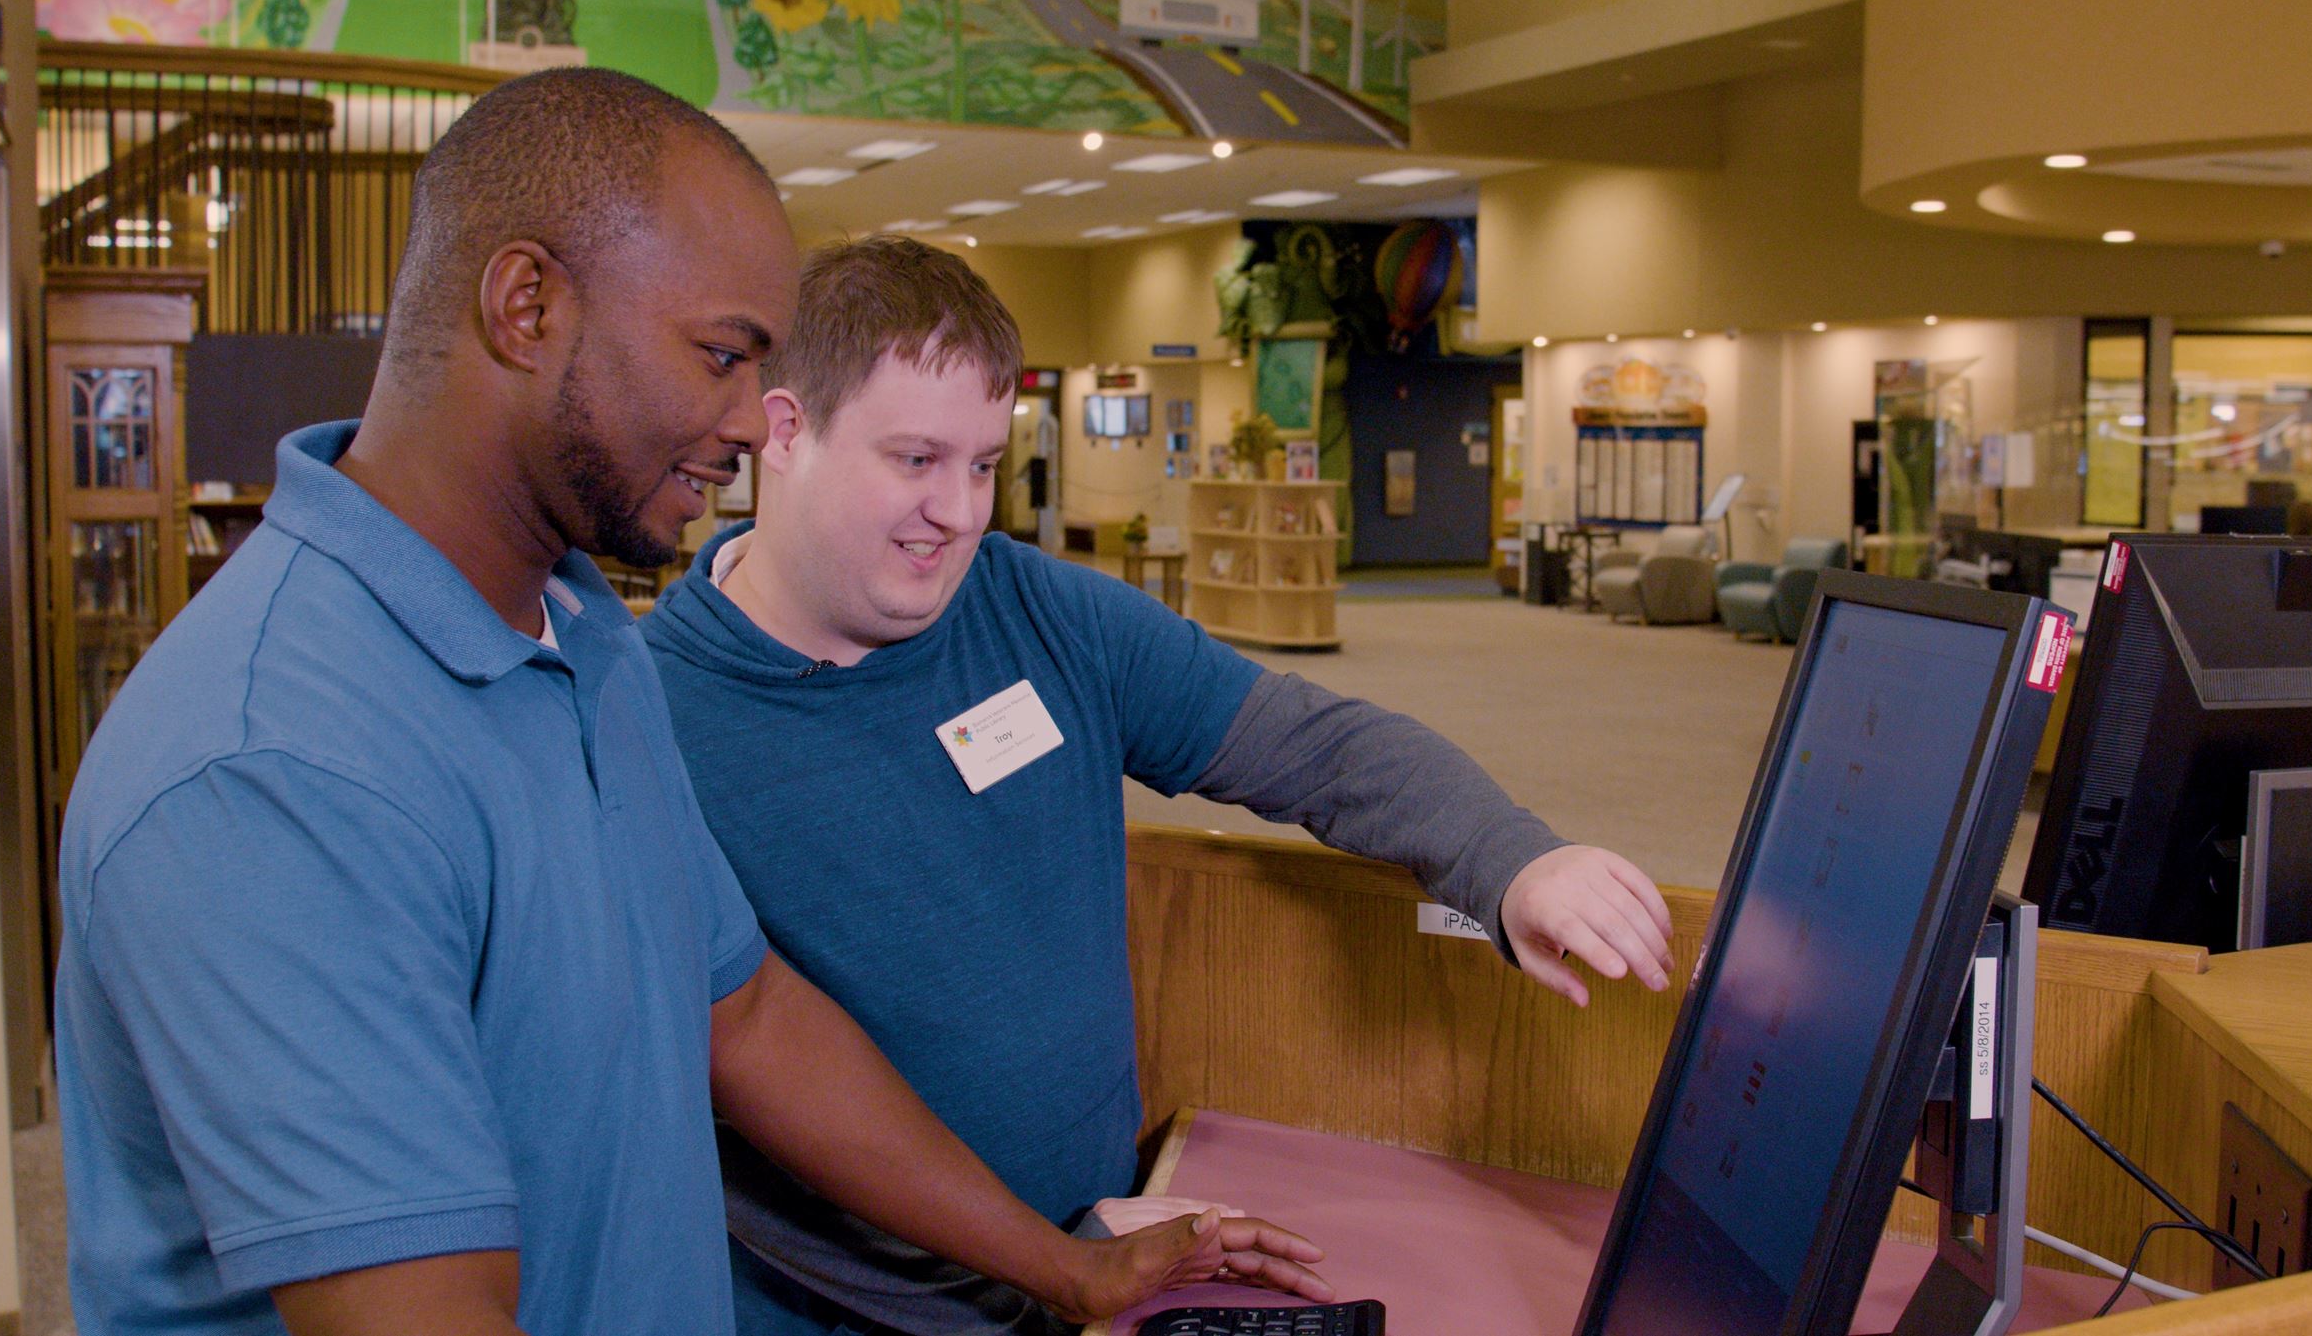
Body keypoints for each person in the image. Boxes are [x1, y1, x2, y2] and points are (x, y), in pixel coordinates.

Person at [54, 72, 1318, 1336]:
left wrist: (1067, 1269)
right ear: (526, 306)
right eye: (721, 357)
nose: (747, 424)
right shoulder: (272, 763)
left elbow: (749, 1018)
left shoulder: (590, 642)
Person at [641, 236, 1678, 1335]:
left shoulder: (1037, 610)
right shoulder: (651, 715)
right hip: (846, 1312)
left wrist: (1507, 856)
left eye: (984, 464)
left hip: (1093, 1256)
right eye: (914, 460)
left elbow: (1308, 742)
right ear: (788, 431)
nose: (958, 512)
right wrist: (1042, 1267)